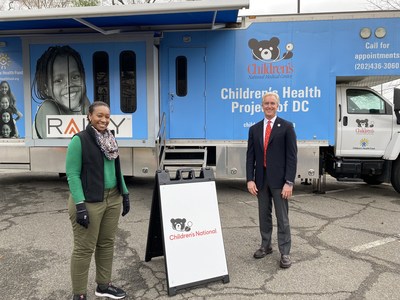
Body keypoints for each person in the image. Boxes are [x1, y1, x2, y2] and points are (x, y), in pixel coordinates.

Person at [66, 101, 130, 300]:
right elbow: (72, 174)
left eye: (107, 116)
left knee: (106, 243)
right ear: (89, 116)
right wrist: (80, 205)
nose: (103, 120)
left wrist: (125, 193)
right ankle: (79, 294)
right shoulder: (80, 140)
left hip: (113, 197)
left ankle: (103, 285)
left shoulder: (110, 139)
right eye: (99, 115)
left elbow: (116, 169)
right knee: (84, 249)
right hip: (89, 201)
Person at [246, 92, 297, 268]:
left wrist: (289, 182)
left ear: (278, 105)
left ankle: (285, 253)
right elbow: (250, 157)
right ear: (262, 106)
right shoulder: (254, 129)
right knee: (263, 216)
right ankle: (266, 245)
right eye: (266, 103)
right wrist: (249, 180)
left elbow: (292, 157)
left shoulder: (287, 127)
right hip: (261, 180)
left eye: (272, 103)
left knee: (282, 218)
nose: (269, 106)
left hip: (280, 181)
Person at [33, 45, 91, 139]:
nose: (69, 85)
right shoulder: (48, 107)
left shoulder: (82, 102)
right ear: (46, 89)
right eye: (58, 80)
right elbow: (58, 149)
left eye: (75, 77)